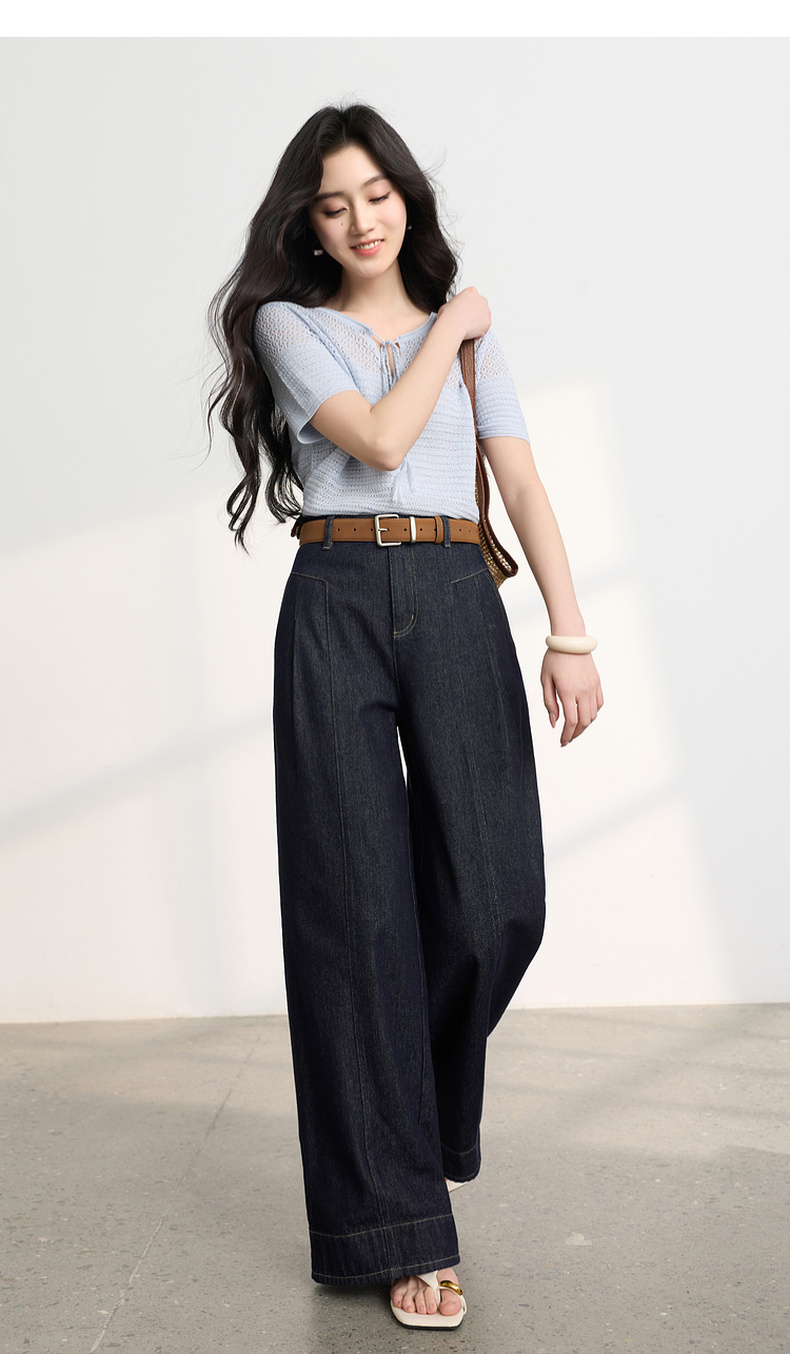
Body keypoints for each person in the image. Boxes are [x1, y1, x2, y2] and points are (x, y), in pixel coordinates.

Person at [206, 101, 603, 1331]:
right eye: (332, 205)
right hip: (334, 593)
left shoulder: (469, 340)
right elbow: (378, 441)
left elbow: (519, 478)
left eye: (376, 194)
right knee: (353, 912)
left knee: (496, 903)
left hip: (454, 589)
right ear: (308, 224)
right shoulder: (290, 324)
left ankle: (400, 1121)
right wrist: (455, 323)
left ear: (405, 198)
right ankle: (400, 1224)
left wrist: (570, 630)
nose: (359, 220)